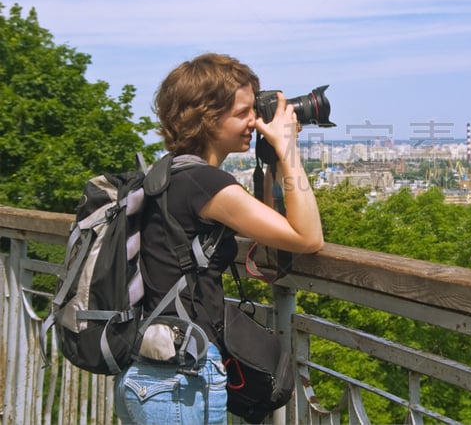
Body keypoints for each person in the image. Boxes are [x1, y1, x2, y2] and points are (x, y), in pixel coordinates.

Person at [114, 53, 324, 424]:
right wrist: (290, 150)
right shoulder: (206, 184)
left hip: (153, 370)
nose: (254, 121)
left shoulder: (170, 174)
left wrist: (273, 156)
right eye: (244, 112)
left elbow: (271, 224)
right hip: (181, 379)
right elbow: (307, 237)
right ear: (208, 118)